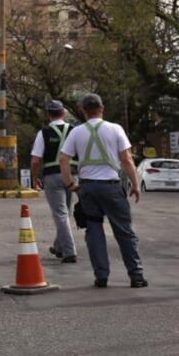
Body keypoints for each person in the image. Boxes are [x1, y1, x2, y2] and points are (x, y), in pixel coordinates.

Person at [59, 93, 147, 288]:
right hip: (111, 186)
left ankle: (101, 276)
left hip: (87, 188)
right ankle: (136, 275)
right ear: (102, 108)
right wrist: (135, 184)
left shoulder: (76, 132)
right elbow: (126, 159)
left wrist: (70, 184)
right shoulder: (115, 129)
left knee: (94, 230)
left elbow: (63, 160)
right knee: (124, 231)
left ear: (83, 111)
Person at [30, 100, 78, 263]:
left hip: (52, 176)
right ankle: (59, 246)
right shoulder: (74, 131)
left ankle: (69, 251)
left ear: (48, 115)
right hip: (72, 175)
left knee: (60, 214)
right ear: (63, 113)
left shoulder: (44, 133)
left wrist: (34, 178)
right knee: (66, 213)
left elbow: (36, 160)